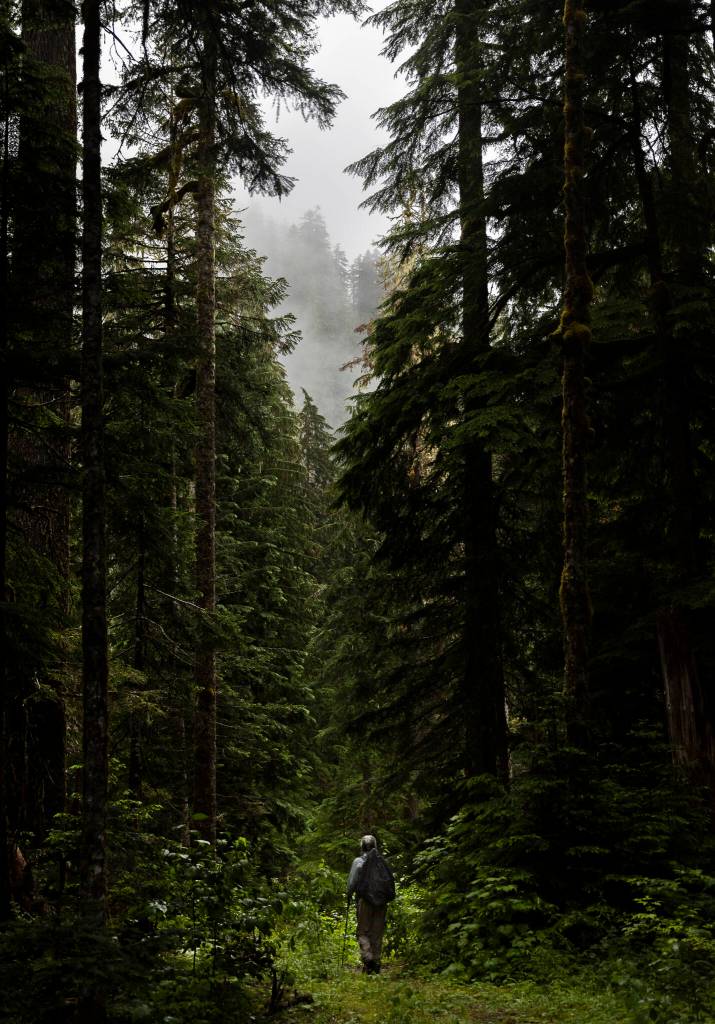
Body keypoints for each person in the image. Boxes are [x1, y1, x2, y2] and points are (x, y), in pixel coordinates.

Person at [346, 834, 394, 975]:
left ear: (362, 846)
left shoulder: (358, 862)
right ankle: (376, 963)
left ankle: (368, 959)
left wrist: (349, 895)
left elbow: (352, 883)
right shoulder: (381, 862)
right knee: (377, 933)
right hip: (381, 902)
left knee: (363, 932)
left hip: (365, 901)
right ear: (375, 845)